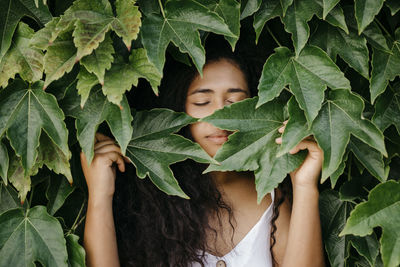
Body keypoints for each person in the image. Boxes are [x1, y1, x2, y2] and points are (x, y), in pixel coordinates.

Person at [81, 45, 325, 267]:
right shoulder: (146, 200)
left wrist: (304, 185)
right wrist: (100, 196)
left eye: (235, 101)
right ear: (177, 110)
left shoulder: (271, 196)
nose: (220, 114)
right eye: (202, 101)